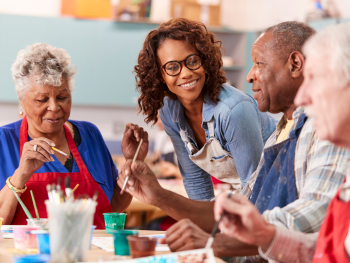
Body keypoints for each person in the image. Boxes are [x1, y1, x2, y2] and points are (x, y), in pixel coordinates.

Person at [119, 21, 350, 258]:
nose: (249, 76)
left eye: (259, 63)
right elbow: (250, 209)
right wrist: (160, 196)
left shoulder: (320, 130)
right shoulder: (281, 133)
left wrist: (219, 243)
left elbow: (307, 220)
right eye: (172, 67)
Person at [214, 21, 350, 263]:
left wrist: (240, 240)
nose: (304, 96)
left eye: (315, 79)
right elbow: (326, 250)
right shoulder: (277, 135)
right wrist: (263, 235)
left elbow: (317, 212)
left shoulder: (324, 131)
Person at [128, 18, 277, 201]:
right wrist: (203, 228)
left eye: (192, 61)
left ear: (205, 61)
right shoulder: (169, 111)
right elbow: (195, 180)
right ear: (159, 75)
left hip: (280, 193)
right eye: (173, 67)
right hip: (255, 196)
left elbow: (255, 187)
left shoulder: (233, 110)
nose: (186, 73)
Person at [0, 43, 132, 228]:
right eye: (42, 99)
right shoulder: (4, 142)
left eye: (62, 97)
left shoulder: (90, 135)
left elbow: (114, 205)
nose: (54, 107)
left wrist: (132, 163)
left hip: (92, 254)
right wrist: (20, 176)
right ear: (21, 98)